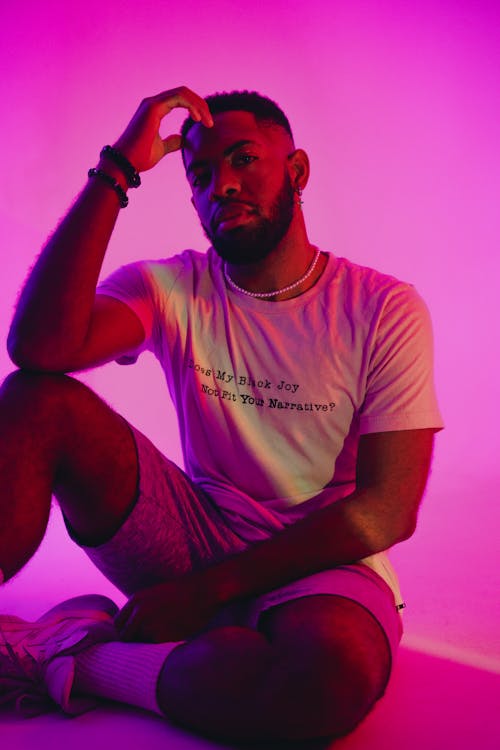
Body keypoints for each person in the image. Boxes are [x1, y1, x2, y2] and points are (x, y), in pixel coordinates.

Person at [0, 86, 443, 741]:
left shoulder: (382, 308)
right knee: (35, 400)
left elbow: (384, 511)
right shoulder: (172, 287)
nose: (223, 186)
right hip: (195, 535)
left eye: (244, 161)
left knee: (322, 685)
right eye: (201, 176)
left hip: (322, 558)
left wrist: (206, 594)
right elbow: (38, 348)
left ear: (295, 172)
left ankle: (77, 658)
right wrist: (117, 169)